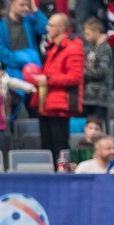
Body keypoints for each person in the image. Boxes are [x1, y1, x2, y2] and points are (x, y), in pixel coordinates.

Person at [33, 14, 83, 167]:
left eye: (50, 25)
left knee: (59, 147)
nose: (47, 28)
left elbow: (75, 77)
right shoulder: (52, 47)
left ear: (61, 28)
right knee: (47, 146)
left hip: (60, 105)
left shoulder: (73, 49)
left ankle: (61, 176)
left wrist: (48, 80)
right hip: (47, 104)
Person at [82, 17, 113, 121]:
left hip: (99, 97)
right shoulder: (94, 48)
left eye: (88, 33)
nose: (85, 37)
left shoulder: (104, 48)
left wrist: (82, 73)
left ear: (96, 32)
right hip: (89, 97)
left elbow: (102, 72)